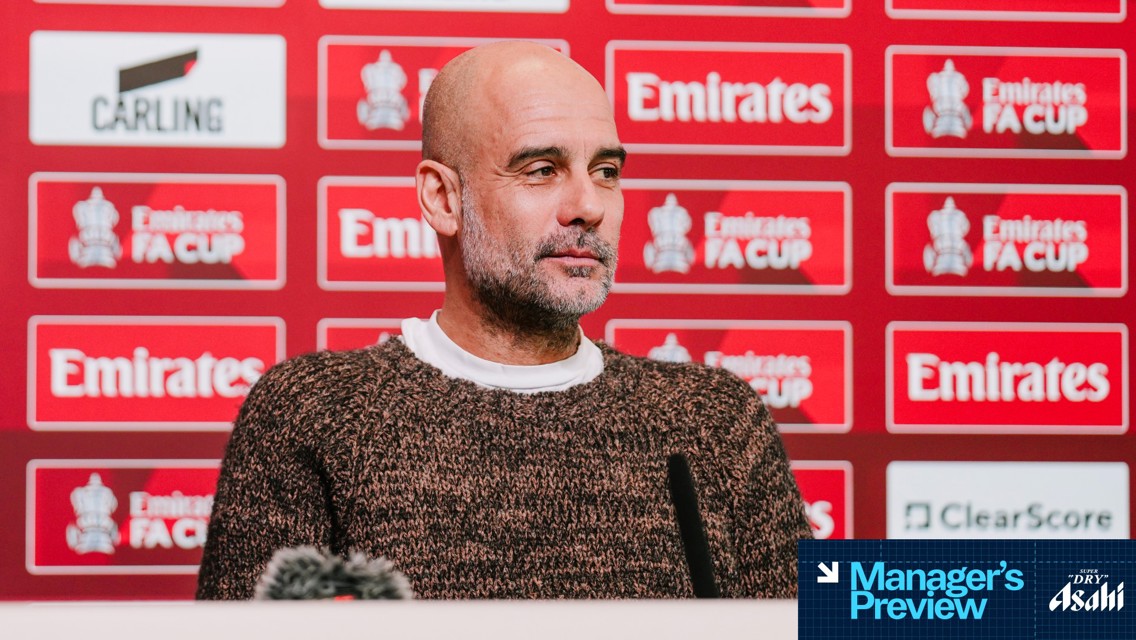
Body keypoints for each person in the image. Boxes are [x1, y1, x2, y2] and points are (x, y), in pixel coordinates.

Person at [196, 41, 811, 600]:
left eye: (606, 171)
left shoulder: (715, 419)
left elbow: (829, 619)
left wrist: (893, 599)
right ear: (442, 199)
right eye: (541, 170)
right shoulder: (312, 414)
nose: (588, 207)